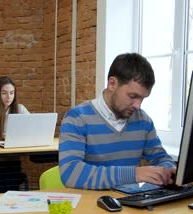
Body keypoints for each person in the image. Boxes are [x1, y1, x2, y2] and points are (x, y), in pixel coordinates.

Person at [59, 53, 176, 190]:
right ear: (112, 84)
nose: (138, 105)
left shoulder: (143, 120)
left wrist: (169, 170)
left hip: (130, 204)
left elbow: (161, 158)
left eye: (142, 99)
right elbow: (71, 174)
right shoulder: (77, 118)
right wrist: (134, 174)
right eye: (133, 96)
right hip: (91, 206)